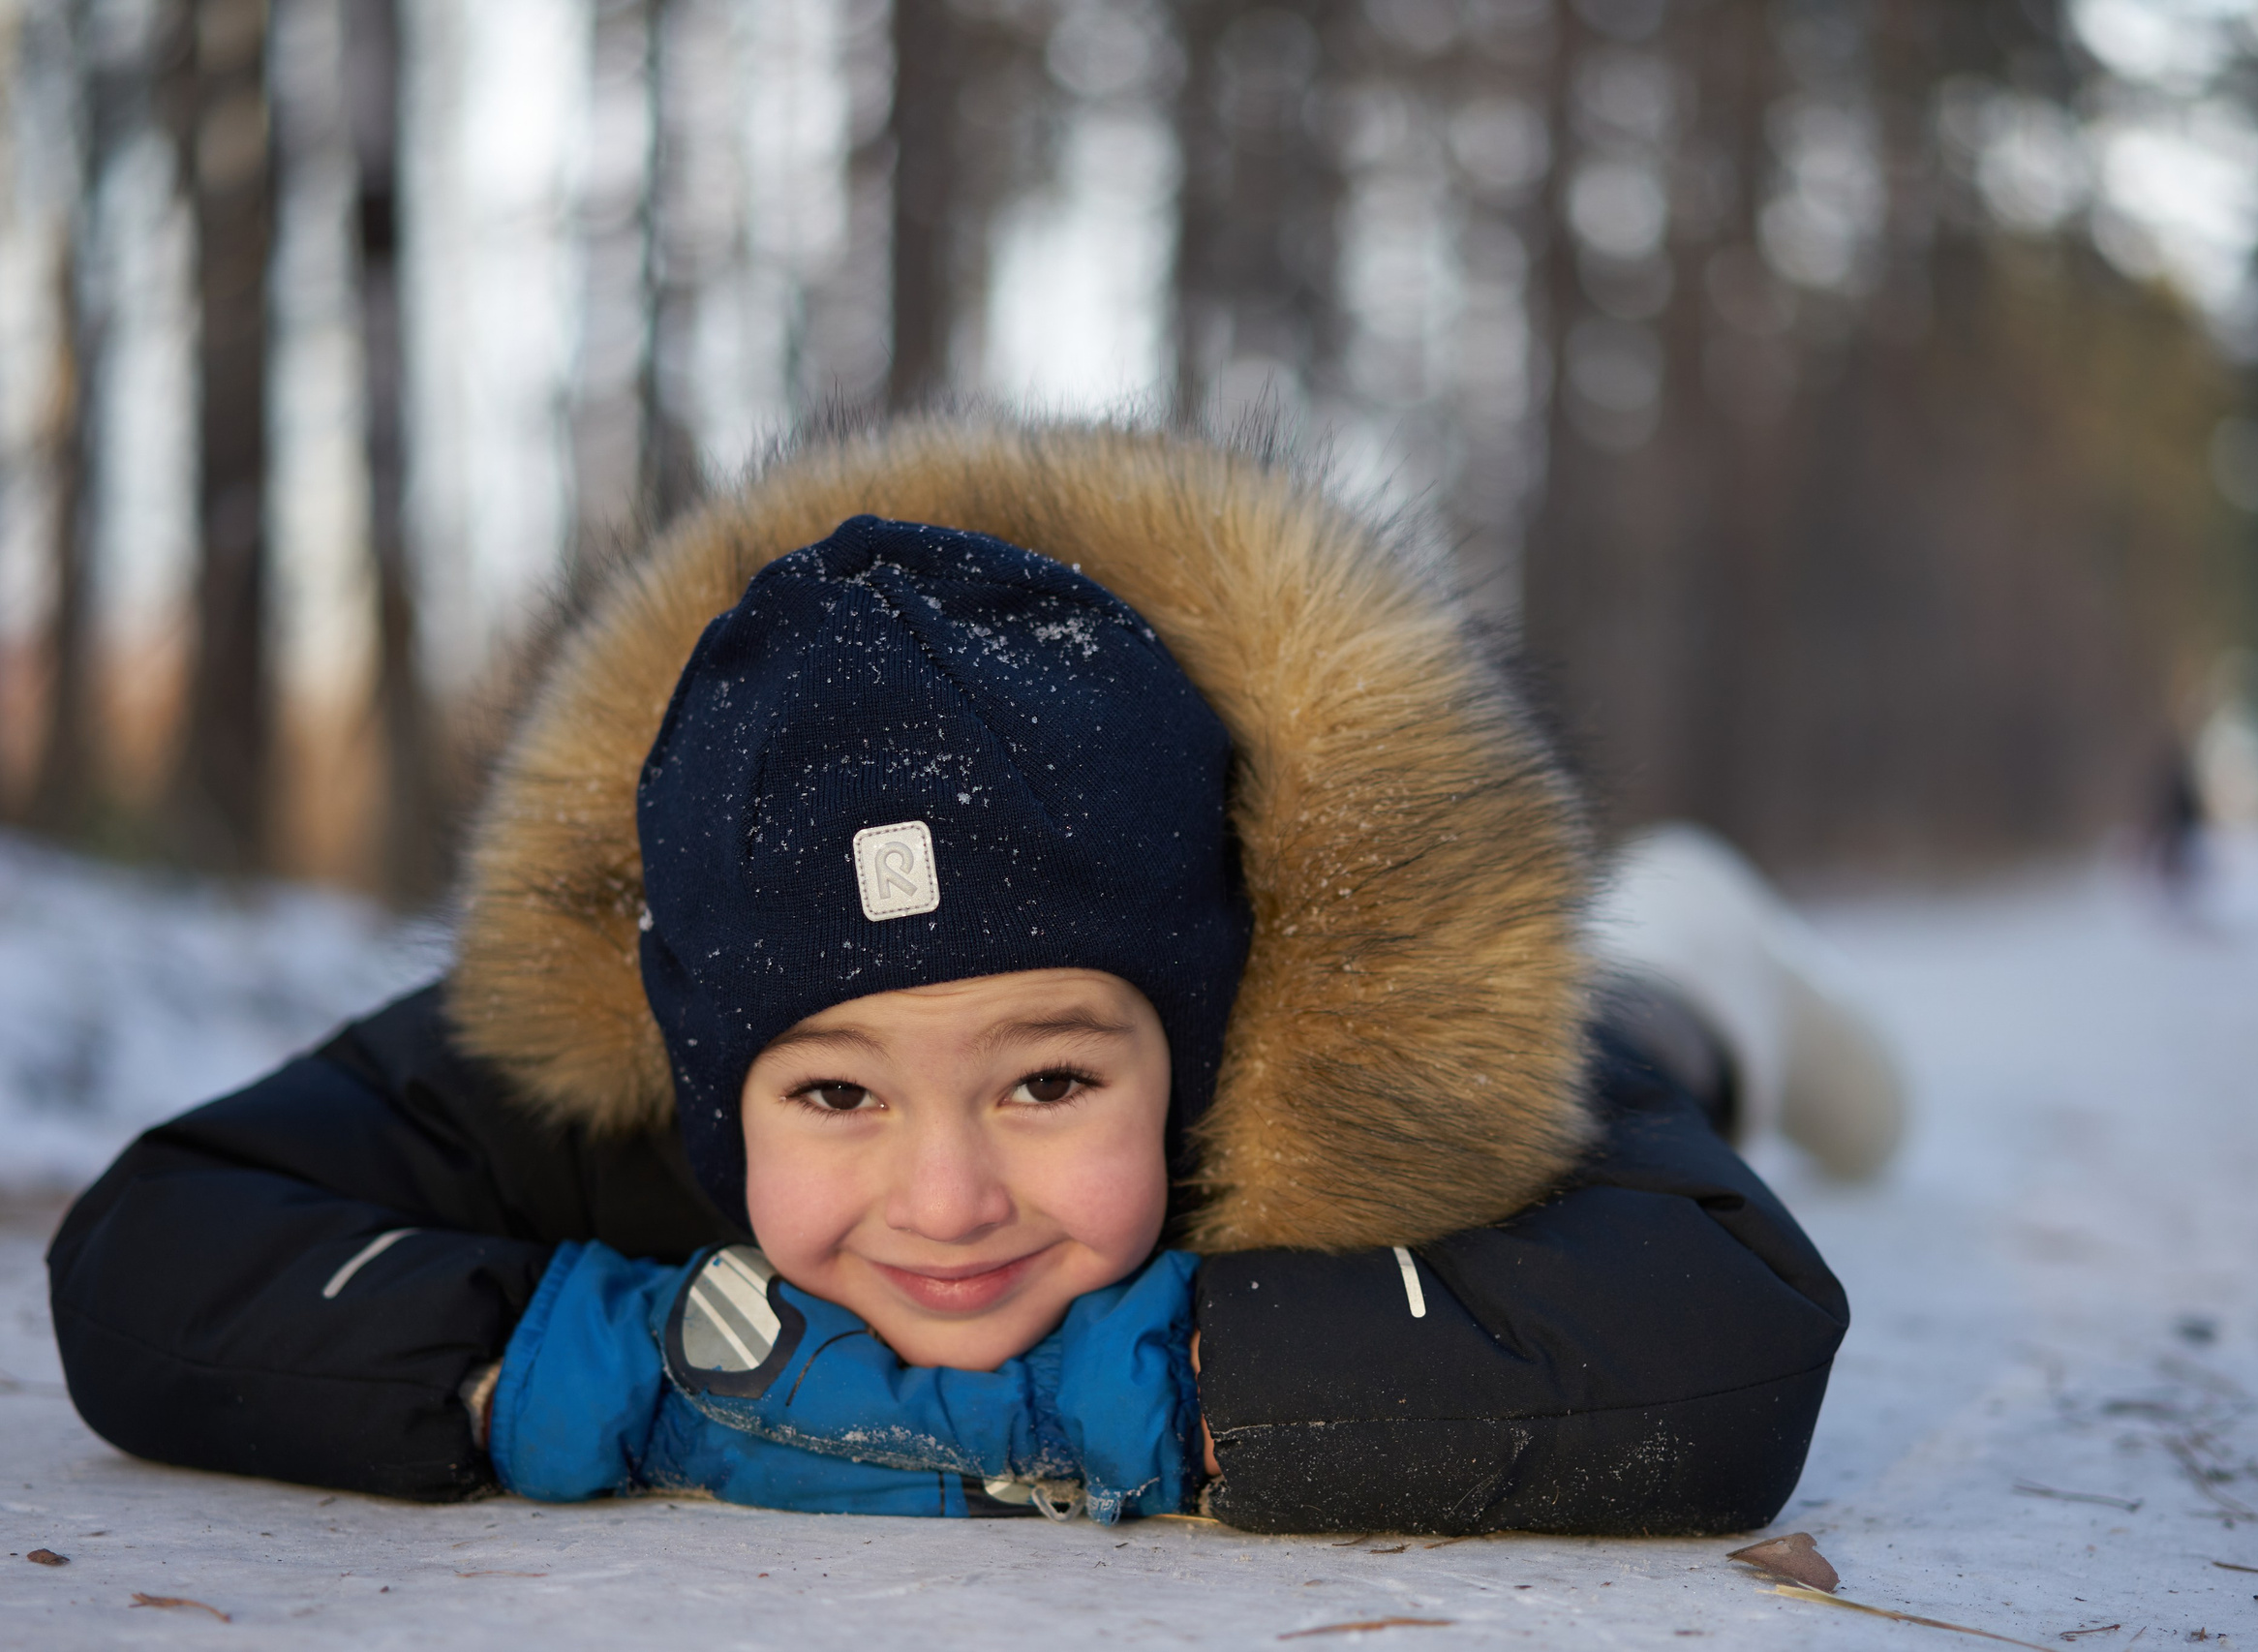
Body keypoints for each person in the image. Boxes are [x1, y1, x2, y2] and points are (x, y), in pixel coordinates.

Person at [46, 418, 1900, 1534]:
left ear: (1202, 1039)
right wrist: (662, 1373)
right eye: (834, 1092)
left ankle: (1698, 958)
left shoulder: (1324, 1047)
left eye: (1050, 1081)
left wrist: (1087, 1398)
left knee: (1607, 1030)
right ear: (703, 1062)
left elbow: (1718, 1335)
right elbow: (153, 1256)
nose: (944, 1199)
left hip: (1518, 999)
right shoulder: (617, 1074)